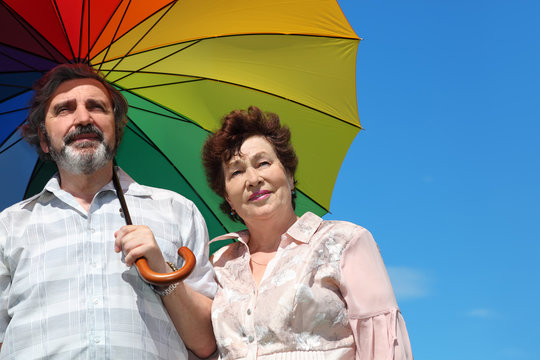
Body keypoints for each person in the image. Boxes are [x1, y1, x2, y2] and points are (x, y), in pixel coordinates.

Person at [0, 63, 216, 359]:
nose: (83, 118)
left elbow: (207, 342)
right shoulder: (9, 227)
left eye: (96, 107)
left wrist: (163, 273)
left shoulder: (177, 211)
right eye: (64, 109)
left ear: (117, 128)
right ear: (44, 139)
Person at [201, 106, 413, 359]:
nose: (253, 178)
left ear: (289, 176)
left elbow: (383, 345)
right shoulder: (219, 264)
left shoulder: (344, 242)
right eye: (236, 171)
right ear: (227, 196)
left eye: (263, 163)